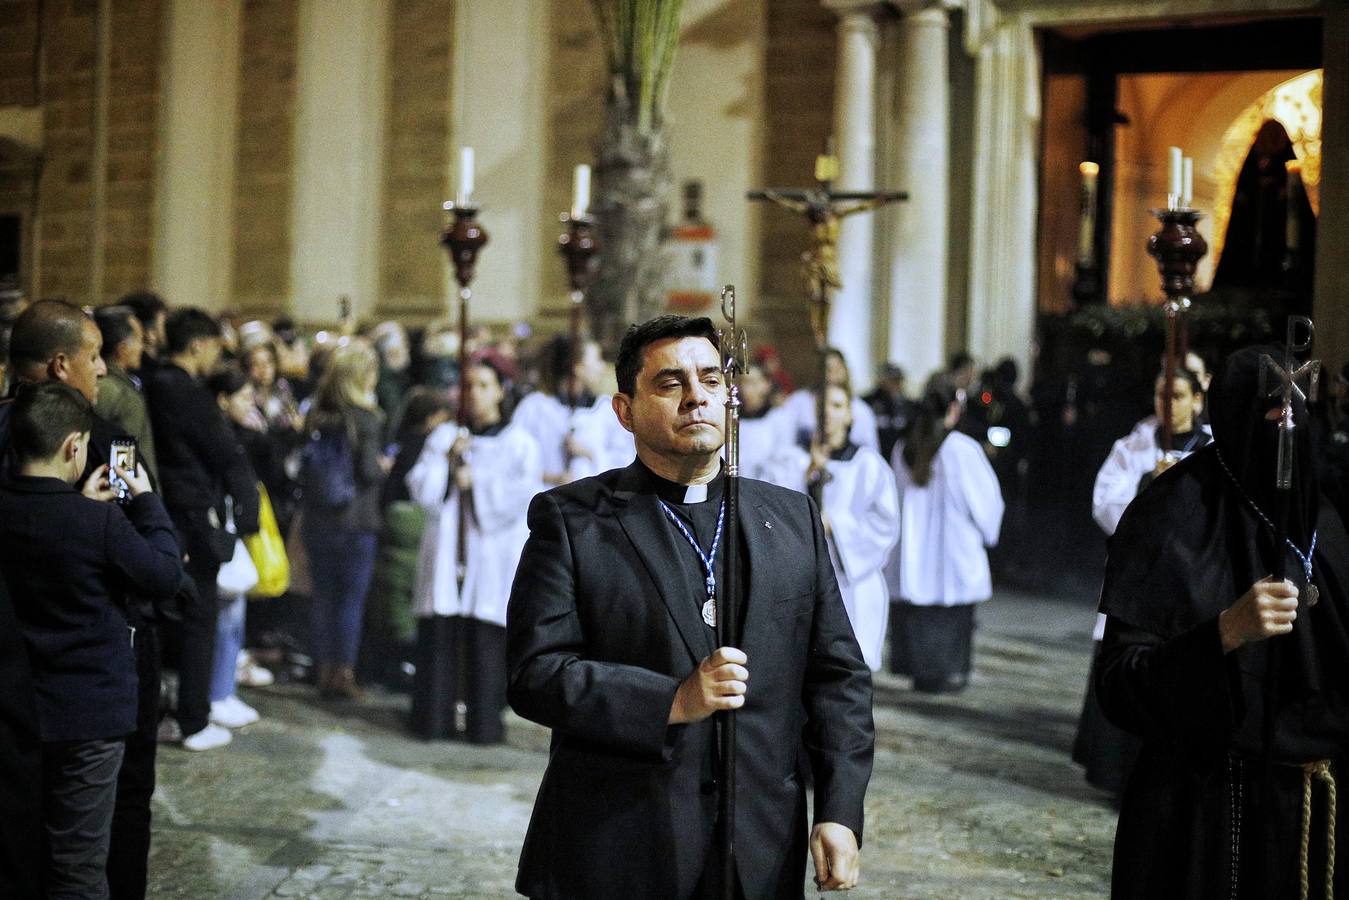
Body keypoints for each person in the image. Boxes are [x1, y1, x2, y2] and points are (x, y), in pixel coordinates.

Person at [507, 315, 874, 899]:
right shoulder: (573, 521)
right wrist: (672, 702)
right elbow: (536, 674)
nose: (696, 397)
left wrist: (839, 809)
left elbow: (838, 677)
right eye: (670, 383)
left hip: (759, 852)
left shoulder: (791, 519)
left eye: (710, 379)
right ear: (625, 410)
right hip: (620, 847)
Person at [1096, 343, 1348, 898]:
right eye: (1273, 410)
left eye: (1300, 409)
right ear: (1236, 415)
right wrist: (1224, 633)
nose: (1289, 425)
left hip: (1318, 805)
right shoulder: (1173, 514)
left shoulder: (1328, 518)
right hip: (1210, 812)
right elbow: (1119, 684)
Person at [0, 382, 181, 900]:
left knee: (23, 852)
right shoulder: (98, 521)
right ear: (73, 446)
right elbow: (164, 574)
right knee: (77, 868)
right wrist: (146, 501)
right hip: (89, 714)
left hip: (18, 711)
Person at [1074, 366, 1212, 797]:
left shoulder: (1212, 450)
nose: (1166, 405)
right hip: (1139, 574)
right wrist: (1148, 484)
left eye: (1177, 396)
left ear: (1197, 400)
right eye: (1160, 395)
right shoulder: (1132, 447)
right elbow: (1104, 503)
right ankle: (1116, 772)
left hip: (1188, 576)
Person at [407, 357, 541, 742]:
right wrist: (448, 463)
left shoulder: (518, 442)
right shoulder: (444, 436)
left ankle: (483, 723)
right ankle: (434, 720)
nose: (474, 394)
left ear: (500, 391)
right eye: (468, 386)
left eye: (483, 386)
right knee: (441, 635)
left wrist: (476, 481)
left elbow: (522, 494)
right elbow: (420, 488)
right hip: (447, 551)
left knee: (485, 639)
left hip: (489, 552)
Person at [146, 308, 260, 751]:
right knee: (199, 620)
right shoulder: (189, 394)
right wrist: (246, 517)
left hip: (159, 514)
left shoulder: (148, 385)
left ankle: (163, 712)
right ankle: (193, 719)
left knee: (164, 621)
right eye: (214, 346)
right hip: (193, 518)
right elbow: (225, 455)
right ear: (197, 345)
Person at [887, 378, 1004, 692]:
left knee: (921, 614)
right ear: (953, 409)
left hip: (914, 551)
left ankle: (920, 673)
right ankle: (947, 673)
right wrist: (988, 534)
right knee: (949, 616)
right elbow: (986, 502)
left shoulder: (903, 447)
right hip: (952, 551)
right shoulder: (962, 449)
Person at [772, 383, 899, 671]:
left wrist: (837, 526)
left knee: (851, 666)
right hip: (803, 580)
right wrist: (808, 474)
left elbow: (885, 524)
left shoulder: (868, 464)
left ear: (850, 415)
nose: (828, 413)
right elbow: (773, 509)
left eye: (837, 406)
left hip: (853, 579)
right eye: (822, 406)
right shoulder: (792, 459)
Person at [298, 340, 389, 700]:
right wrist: (384, 467)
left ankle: (322, 670)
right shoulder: (367, 418)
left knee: (323, 597)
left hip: (318, 520)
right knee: (351, 600)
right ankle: (343, 673)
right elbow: (368, 471)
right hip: (356, 522)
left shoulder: (316, 414)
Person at [93, 305, 159, 483]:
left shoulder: (98, 385)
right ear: (122, 349)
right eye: (139, 340)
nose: (142, 347)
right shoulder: (122, 396)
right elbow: (124, 468)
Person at [781, 347, 880, 453]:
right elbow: (784, 442)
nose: (833, 375)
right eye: (828, 369)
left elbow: (870, 450)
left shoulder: (861, 410)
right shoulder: (799, 402)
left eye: (837, 368)